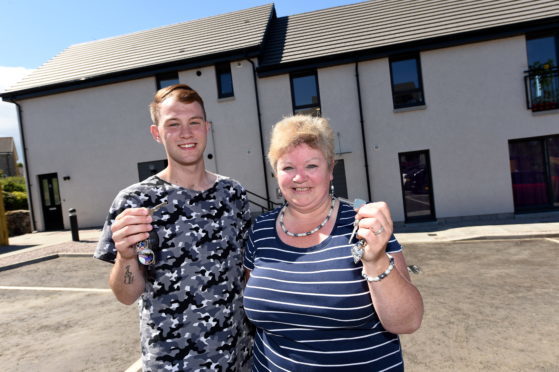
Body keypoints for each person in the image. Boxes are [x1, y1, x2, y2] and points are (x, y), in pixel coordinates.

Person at [243, 115, 424, 371]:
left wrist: (375, 260)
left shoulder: (364, 225)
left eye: (311, 166)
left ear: (330, 169)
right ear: (275, 174)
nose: (299, 177)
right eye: (288, 168)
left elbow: (407, 321)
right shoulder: (260, 230)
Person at [94, 84, 252, 371]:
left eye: (194, 122)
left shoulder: (234, 194)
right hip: (172, 362)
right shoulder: (135, 202)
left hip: (237, 358)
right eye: (173, 124)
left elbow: (246, 275)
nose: (186, 133)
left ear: (207, 128)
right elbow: (126, 295)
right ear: (157, 133)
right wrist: (126, 256)